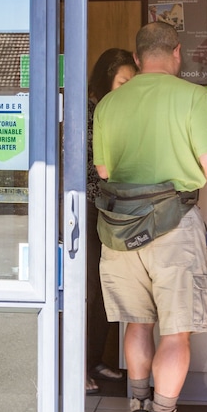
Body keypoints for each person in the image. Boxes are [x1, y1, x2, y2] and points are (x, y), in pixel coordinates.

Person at [93, 21, 207, 412]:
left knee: (138, 322)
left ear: (137, 59)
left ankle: (139, 409)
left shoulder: (109, 104)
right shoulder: (194, 97)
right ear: (177, 52)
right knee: (176, 331)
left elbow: (104, 170)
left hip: (120, 228)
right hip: (173, 224)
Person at [86, 48, 138, 394]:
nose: (127, 89)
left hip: (111, 208)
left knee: (107, 287)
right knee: (88, 289)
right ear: (106, 81)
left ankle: (94, 360)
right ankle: (76, 366)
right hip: (86, 207)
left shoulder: (121, 112)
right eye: (122, 82)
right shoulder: (88, 111)